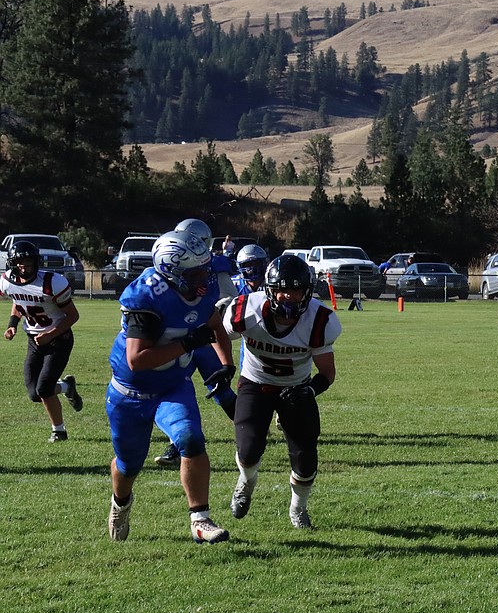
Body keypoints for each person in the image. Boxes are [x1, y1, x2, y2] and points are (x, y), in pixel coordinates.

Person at [106, 230, 235, 543]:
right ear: (174, 272)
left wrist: (226, 364)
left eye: (205, 268)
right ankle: (120, 504)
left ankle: (200, 520)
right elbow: (137, 358)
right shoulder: (146, 297)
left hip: (173, 385)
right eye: (196, 272)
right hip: (131, 391)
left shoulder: (201, 287)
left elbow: (214, 323)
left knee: (191, 439)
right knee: (128, 465)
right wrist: (188, 343)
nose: (204, 276)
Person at [223, 255, 341, 529]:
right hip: (255, 383)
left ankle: (298, 509)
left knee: (305, 457)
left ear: (307, 291)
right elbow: (217, 332)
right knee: (249, 448)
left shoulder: (319, 320)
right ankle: (246, 482)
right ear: (269, 289)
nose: (288, 297)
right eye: (282, 290)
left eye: (296, 290)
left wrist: (309, 390)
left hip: (296, 387)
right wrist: (225, 365)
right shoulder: (246, 310)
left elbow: (327, 374)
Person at [155, 218, 240, 467]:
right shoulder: (168, 268)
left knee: (219, 387)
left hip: (205, 334)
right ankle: (177, 444)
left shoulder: (216, 266)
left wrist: (218, 312)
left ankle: (248, 429)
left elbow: (229, 298)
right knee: (174, 390)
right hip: (177, 333)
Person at [1, 240, 84, 442]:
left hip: (59, 340)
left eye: (29, 262)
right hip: (34, 340)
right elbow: (18, 301)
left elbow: (73, 316)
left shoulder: (51, 282)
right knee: (33, 393)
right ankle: (66, 387)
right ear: (12, 263)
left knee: (44, 388)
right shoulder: (7, 281)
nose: (25, 266)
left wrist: (50, 334)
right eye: (21, 263)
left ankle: (59, 431)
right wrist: (12, 324)